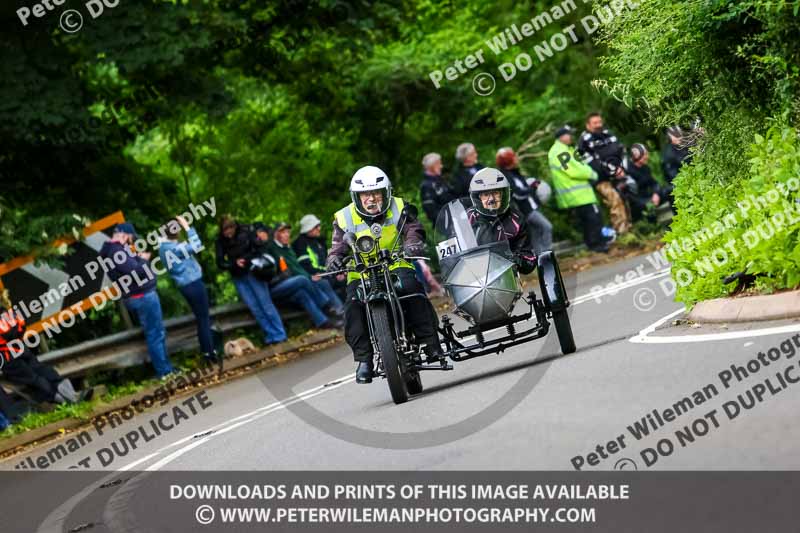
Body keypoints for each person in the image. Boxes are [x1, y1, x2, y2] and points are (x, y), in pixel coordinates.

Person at [326, 166, 443, 384]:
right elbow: (337, 246)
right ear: (357, 197)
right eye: (365, 195)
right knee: (352, 305)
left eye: (376, 194)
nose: (371, 200)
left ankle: (430, 343)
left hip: (396, 264)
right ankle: (364, 360)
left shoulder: (399, 207)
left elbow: (413, 229)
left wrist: (413, 245)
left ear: (385, 193)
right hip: (361, 272)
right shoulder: (344, 217)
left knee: (413, 290)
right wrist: (333, 260)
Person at [100, 223, 176, 378]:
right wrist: (144, 260)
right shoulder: (116, 252)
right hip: (142, 296)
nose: (130, 241)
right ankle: (164, 372)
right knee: (155, 334)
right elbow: (137, 272)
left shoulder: (114, 251)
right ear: (124, 235)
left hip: (139, 295)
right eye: (130, 238)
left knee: (157, 333)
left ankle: (167, 369)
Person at [0, 289, 91, 405]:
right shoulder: (9, 313)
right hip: (22, 351)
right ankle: (72, 396)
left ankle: (67, 400)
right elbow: (22, 326)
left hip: (9, 359)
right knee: (44, 372)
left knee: (36, 379)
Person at [159, 215, 222, 370]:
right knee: (204, 319)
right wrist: (188, 227)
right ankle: (209, 352)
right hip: (193, 283)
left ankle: (208, 351)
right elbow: (197, 245)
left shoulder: (163, 247)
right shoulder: (171, 248)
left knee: (202, 319)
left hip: (186, 285)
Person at [252, 224, 343, 330]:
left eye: (287, 232)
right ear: (276, 234)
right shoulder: (271, 247)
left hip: (290, 283)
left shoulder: (288, 249)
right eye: (283, 232)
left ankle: (325, 322)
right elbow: (290, 270)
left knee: (306, 291)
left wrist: (311, 276)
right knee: (303, 280)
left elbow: (298, 268)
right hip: (277, 285)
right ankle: (326, 306)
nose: (287, 235)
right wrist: (309, 277)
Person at [216, 216, 288, 345]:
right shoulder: (220, 242)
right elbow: (220, 262)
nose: (228, 233)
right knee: (254, 307)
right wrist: (233, 263)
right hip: (238, 276)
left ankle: (280, 333)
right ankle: (270, 334)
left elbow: (259, 248)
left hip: (253, 271)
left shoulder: (246, 231)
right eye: (225, 230)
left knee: (265, 303)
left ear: (234, 226)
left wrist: (246, 259)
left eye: (230, 229)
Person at [465, 168, 538, 273]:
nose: (491, 199)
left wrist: (516, 259)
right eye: (485, 194)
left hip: (506, 277)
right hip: (473, 277)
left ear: (503, 194)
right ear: (478, 197)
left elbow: (529, 259)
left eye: (495, 193)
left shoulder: (516, 219)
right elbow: (452, 255)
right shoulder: (467, 218)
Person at [549, 125, 609, 253]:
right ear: (562, 136)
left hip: (578, 195)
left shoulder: (564, 149)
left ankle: (594, 245)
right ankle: (597, 245)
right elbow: (574, 170)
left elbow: (578, 164)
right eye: (569, 134)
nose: (571, 136)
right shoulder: (559, 151)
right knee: (594, 218)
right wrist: (592, 174)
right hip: (578, 195)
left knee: (589, 220)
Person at [577, 112, 632, 235]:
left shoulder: (608, 134)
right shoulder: (584, 141)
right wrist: (613, 170)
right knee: (615, 200)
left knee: (627, 198)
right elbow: (593, 163)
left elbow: (621, 151)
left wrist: (621, 168)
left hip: (618, 174)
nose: (598, 125)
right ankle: (622, 233)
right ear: (588, 125)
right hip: (601, 179)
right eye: (595, 123)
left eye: (599, 122)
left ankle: (630, 230)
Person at [495, 146, 554, 255]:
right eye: (514, 156)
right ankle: (547, 255)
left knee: (535, 235)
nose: (516, 158)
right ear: (508, 160)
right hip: (526, 211)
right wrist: (532, 188)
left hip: (532, 207)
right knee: (547, 227)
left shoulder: (514, 173)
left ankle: (539, 258)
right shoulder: (506, 176)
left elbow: (523, 188)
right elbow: (518, 194)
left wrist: (531, 185)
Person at [292, 214, 346, 299]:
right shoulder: (300, 243)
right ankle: (339, 310)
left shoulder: (319, 241)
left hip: (326, 273)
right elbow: (307, 266)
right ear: (309, 228)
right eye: (316, 226)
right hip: (316, 277)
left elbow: (327, 261)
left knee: (345, 279)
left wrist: (337, 271)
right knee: (328, 283)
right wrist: (332, 273)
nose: (319, 228)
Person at [622, 143, 662, 222]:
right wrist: (647, 202)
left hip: (648, 196)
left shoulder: (645, 168)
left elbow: (654, 183)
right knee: (649, 206)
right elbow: (630, 196)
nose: (647, 157)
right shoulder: (628, 172)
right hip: (637, 203)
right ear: (637, 157)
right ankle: (654, 228)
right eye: (645, 155)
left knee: (669, 190)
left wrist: (656, 194)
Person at [420, 152, 458, 223]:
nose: (441, 166)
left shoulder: (441, 180)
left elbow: (452, 197)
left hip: (457, 219)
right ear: (431, 166)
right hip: (444, 225)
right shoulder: (426, 186)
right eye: (438, 164)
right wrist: (449, 219)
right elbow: (431, 211)